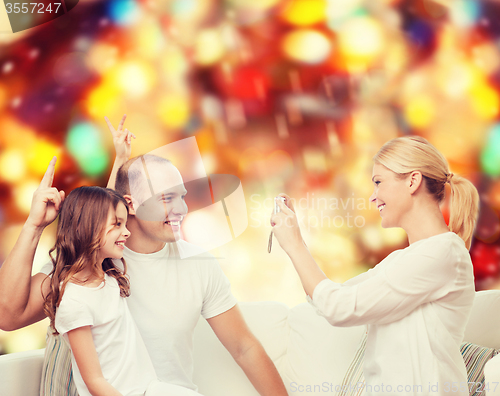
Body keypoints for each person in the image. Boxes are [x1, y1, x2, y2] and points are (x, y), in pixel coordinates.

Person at [0, 116, 288, 396]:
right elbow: (8, 316)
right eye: (166, 198)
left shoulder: (200, 264)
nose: (182, 209)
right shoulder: (86, 263)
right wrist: (34, 225)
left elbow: (244, 347)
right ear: (131, 205)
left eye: (182, 196)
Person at [271, 136, 479, 396]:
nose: (373, 197)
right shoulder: (404, 260)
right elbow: (331, 299)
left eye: (378, 182)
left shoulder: (443, 253)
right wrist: (297, 238)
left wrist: (295, 246)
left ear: (413, 181)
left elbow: (339, 308)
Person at [43, 185, 200, 396]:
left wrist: (121, 158)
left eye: (125, 223)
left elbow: (101, 204)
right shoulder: (74, 301)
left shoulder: (108, 276)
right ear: (87, 227)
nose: (127, 232)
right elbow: (94, 381)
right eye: (118, 224)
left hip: (149, 389)